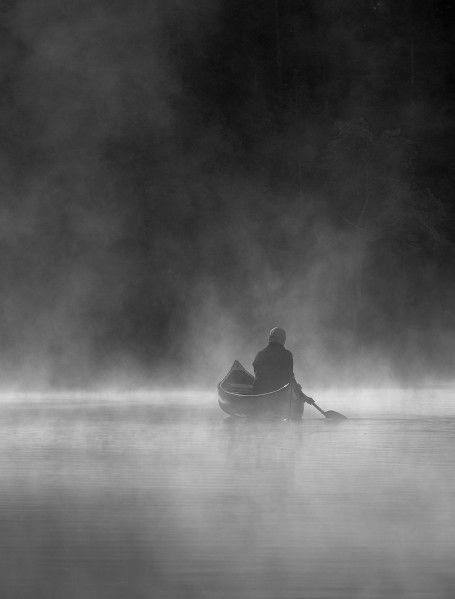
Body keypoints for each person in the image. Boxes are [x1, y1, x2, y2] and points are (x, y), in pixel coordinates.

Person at [252, 327, 314, 420]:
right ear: (283, 340)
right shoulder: (286, 354)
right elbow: (290, 378)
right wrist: (303, 396)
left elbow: (258, 374)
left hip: (259, 393)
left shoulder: (260, 354)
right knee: (296, 388)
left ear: (270, 339)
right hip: (279, 396)